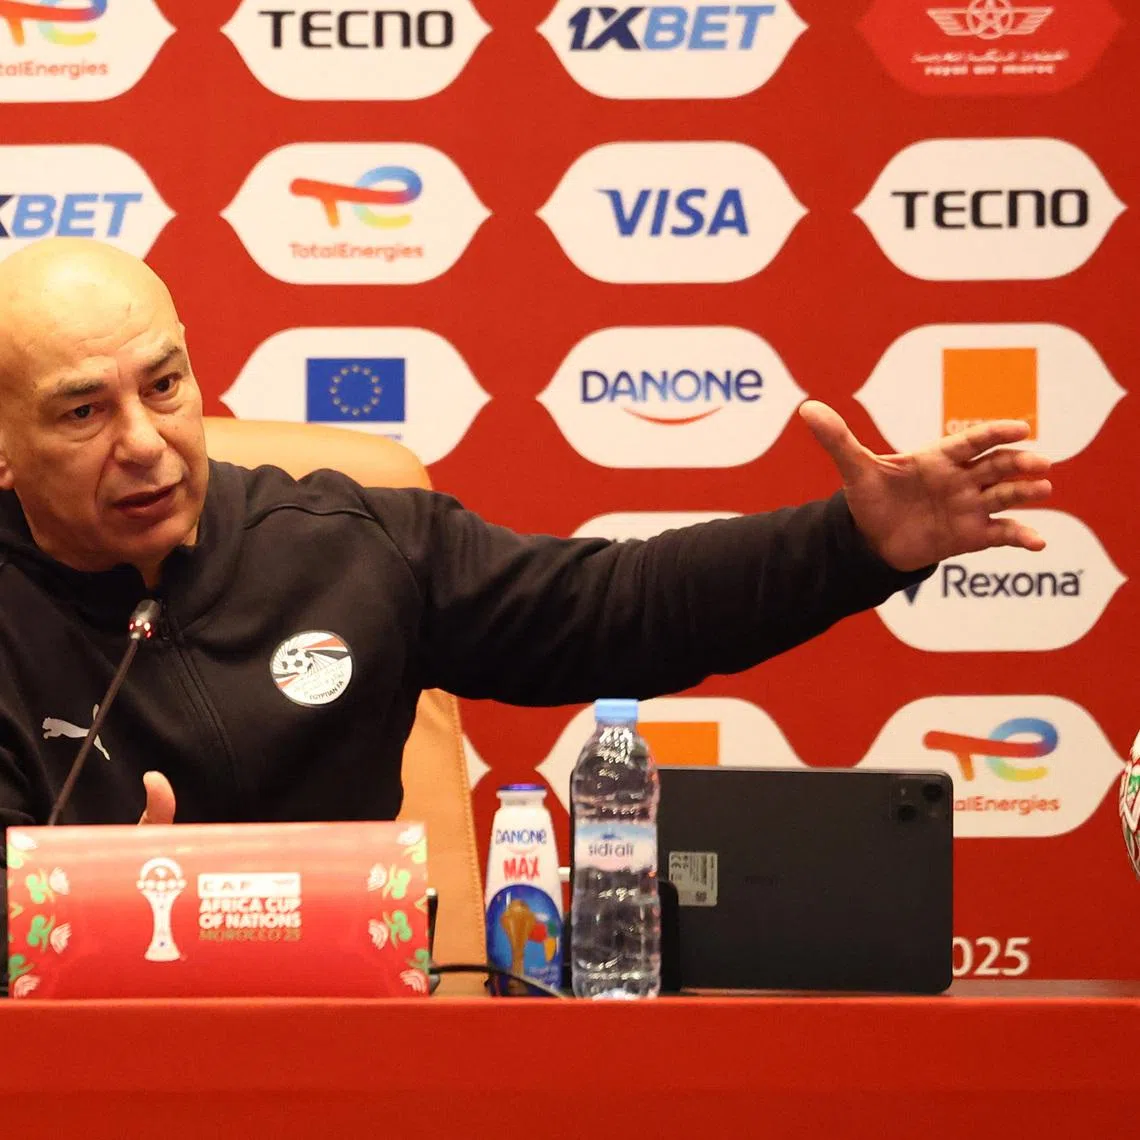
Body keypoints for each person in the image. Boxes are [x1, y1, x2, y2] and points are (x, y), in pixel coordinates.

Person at [0, 238, 1051, 931]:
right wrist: (70, 909)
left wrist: (857, 543)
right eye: (84, 412)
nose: (146, 443)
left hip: (353, 1055)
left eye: (166, 384)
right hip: (78, 1066)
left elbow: (619, 609)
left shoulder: (344, 542)